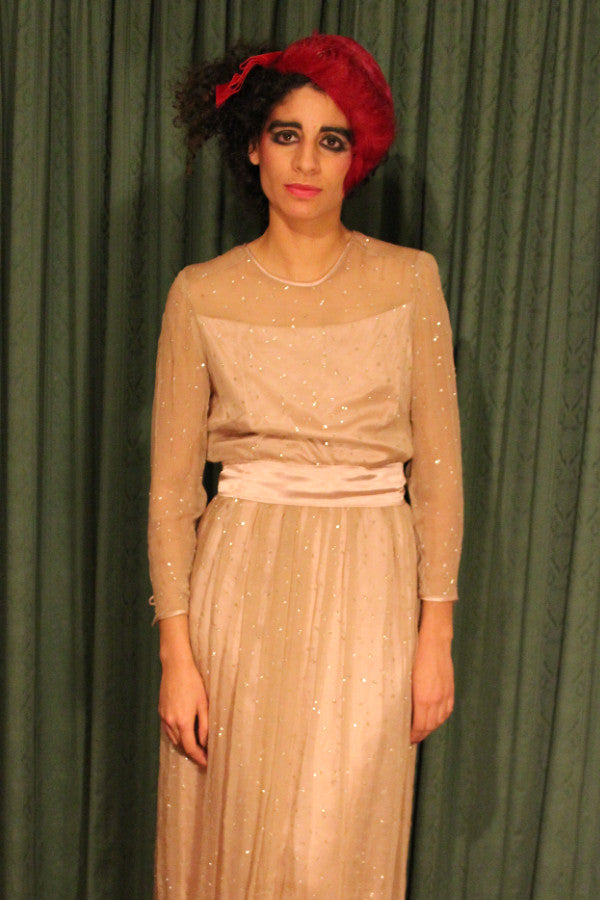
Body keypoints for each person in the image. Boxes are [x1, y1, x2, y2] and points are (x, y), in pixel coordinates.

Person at [148, 32, 463, 899]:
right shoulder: (200, 294)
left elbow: (439, 474)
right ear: (253, 144)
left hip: (372, 588)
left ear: (356, 159)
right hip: (238, 588)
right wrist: (177, 655)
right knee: (230, 832)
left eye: (331, 140)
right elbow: (172, 493)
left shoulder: (410, 283)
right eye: (287, 134)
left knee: (334, 846)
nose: (306, 161)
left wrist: (435, 637)